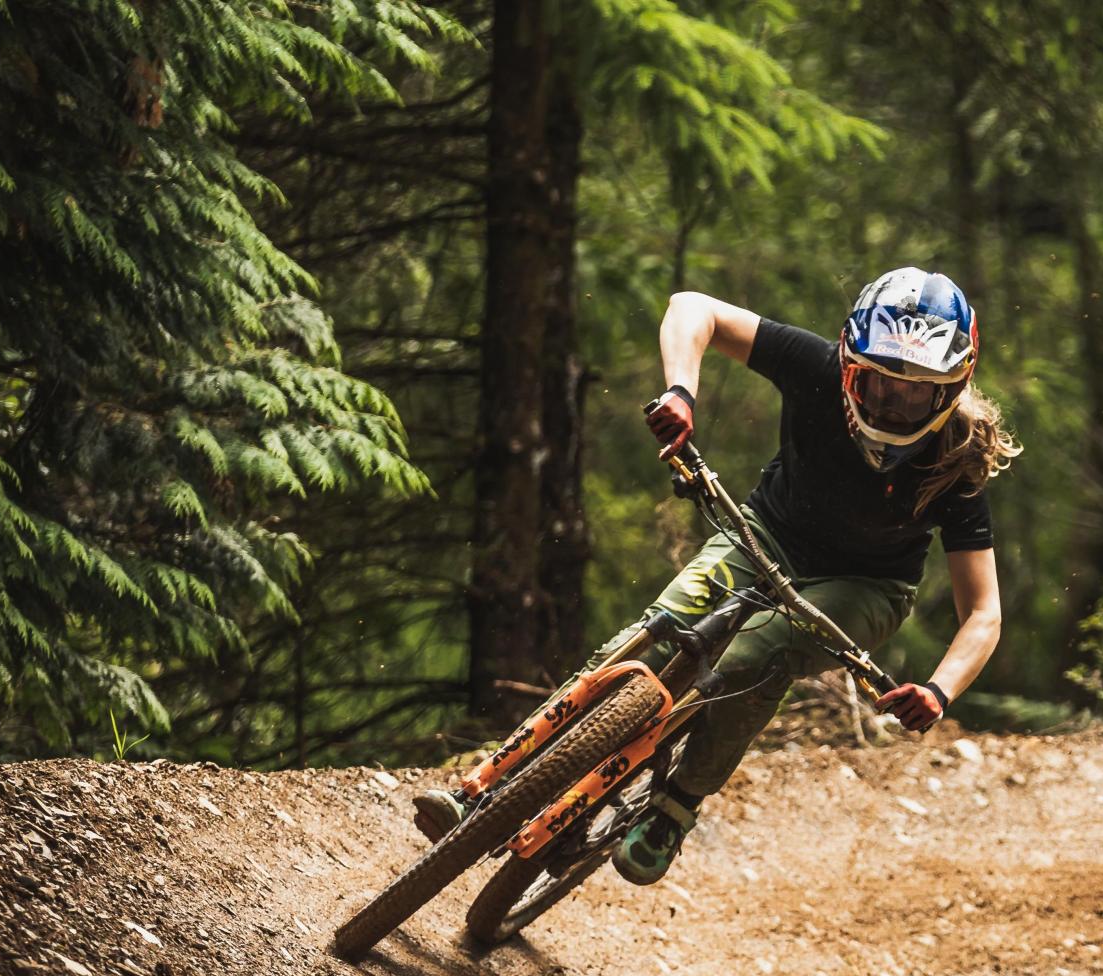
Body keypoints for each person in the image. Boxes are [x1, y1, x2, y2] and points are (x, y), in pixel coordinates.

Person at [413, 268, 1019, 888]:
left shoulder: (958, 460)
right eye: (879, 385)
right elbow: (691, 307)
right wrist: (681, 391)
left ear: (952, 389)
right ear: (847, 362)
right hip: (765, 533)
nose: (894, 405)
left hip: (868, 586)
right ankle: (491, 783)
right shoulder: (813, 366)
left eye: (916, 395)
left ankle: (675, 808)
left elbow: (984, 611)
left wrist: (940, 691)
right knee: (654, 630)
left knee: (756, 657)